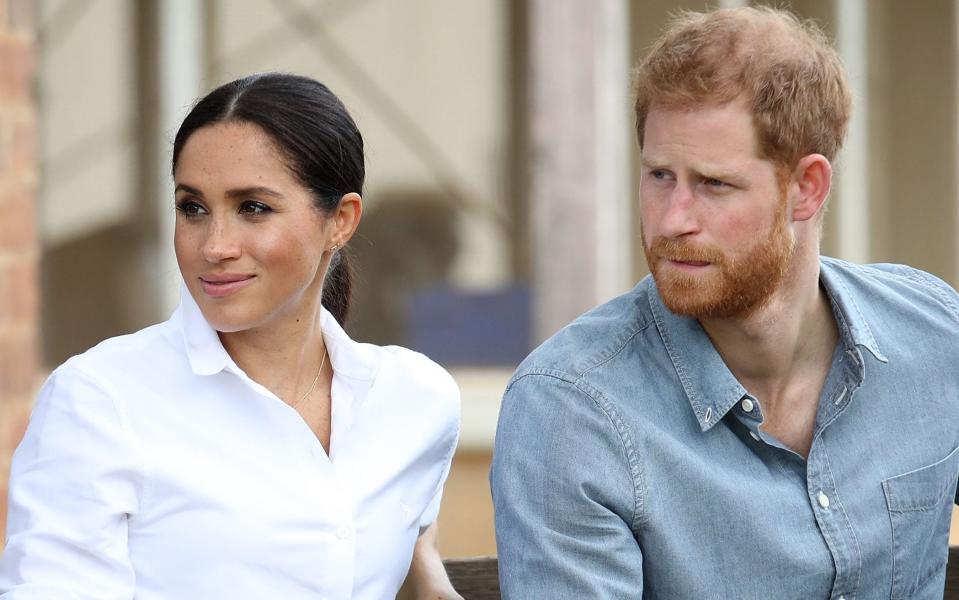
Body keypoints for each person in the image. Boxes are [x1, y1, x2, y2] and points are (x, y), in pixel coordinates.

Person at [491, 6, 959, 599]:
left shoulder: (935, 335)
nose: (673, 219)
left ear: (806, 188)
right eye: (659, 175)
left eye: (714, 184)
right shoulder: (571, 412)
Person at [0, 73, 462, 599]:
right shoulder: (101, 401)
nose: (215, 245)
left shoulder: (417, 399)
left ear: (341, 221)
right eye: (192, 208)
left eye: (253, 208)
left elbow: (417, 568)